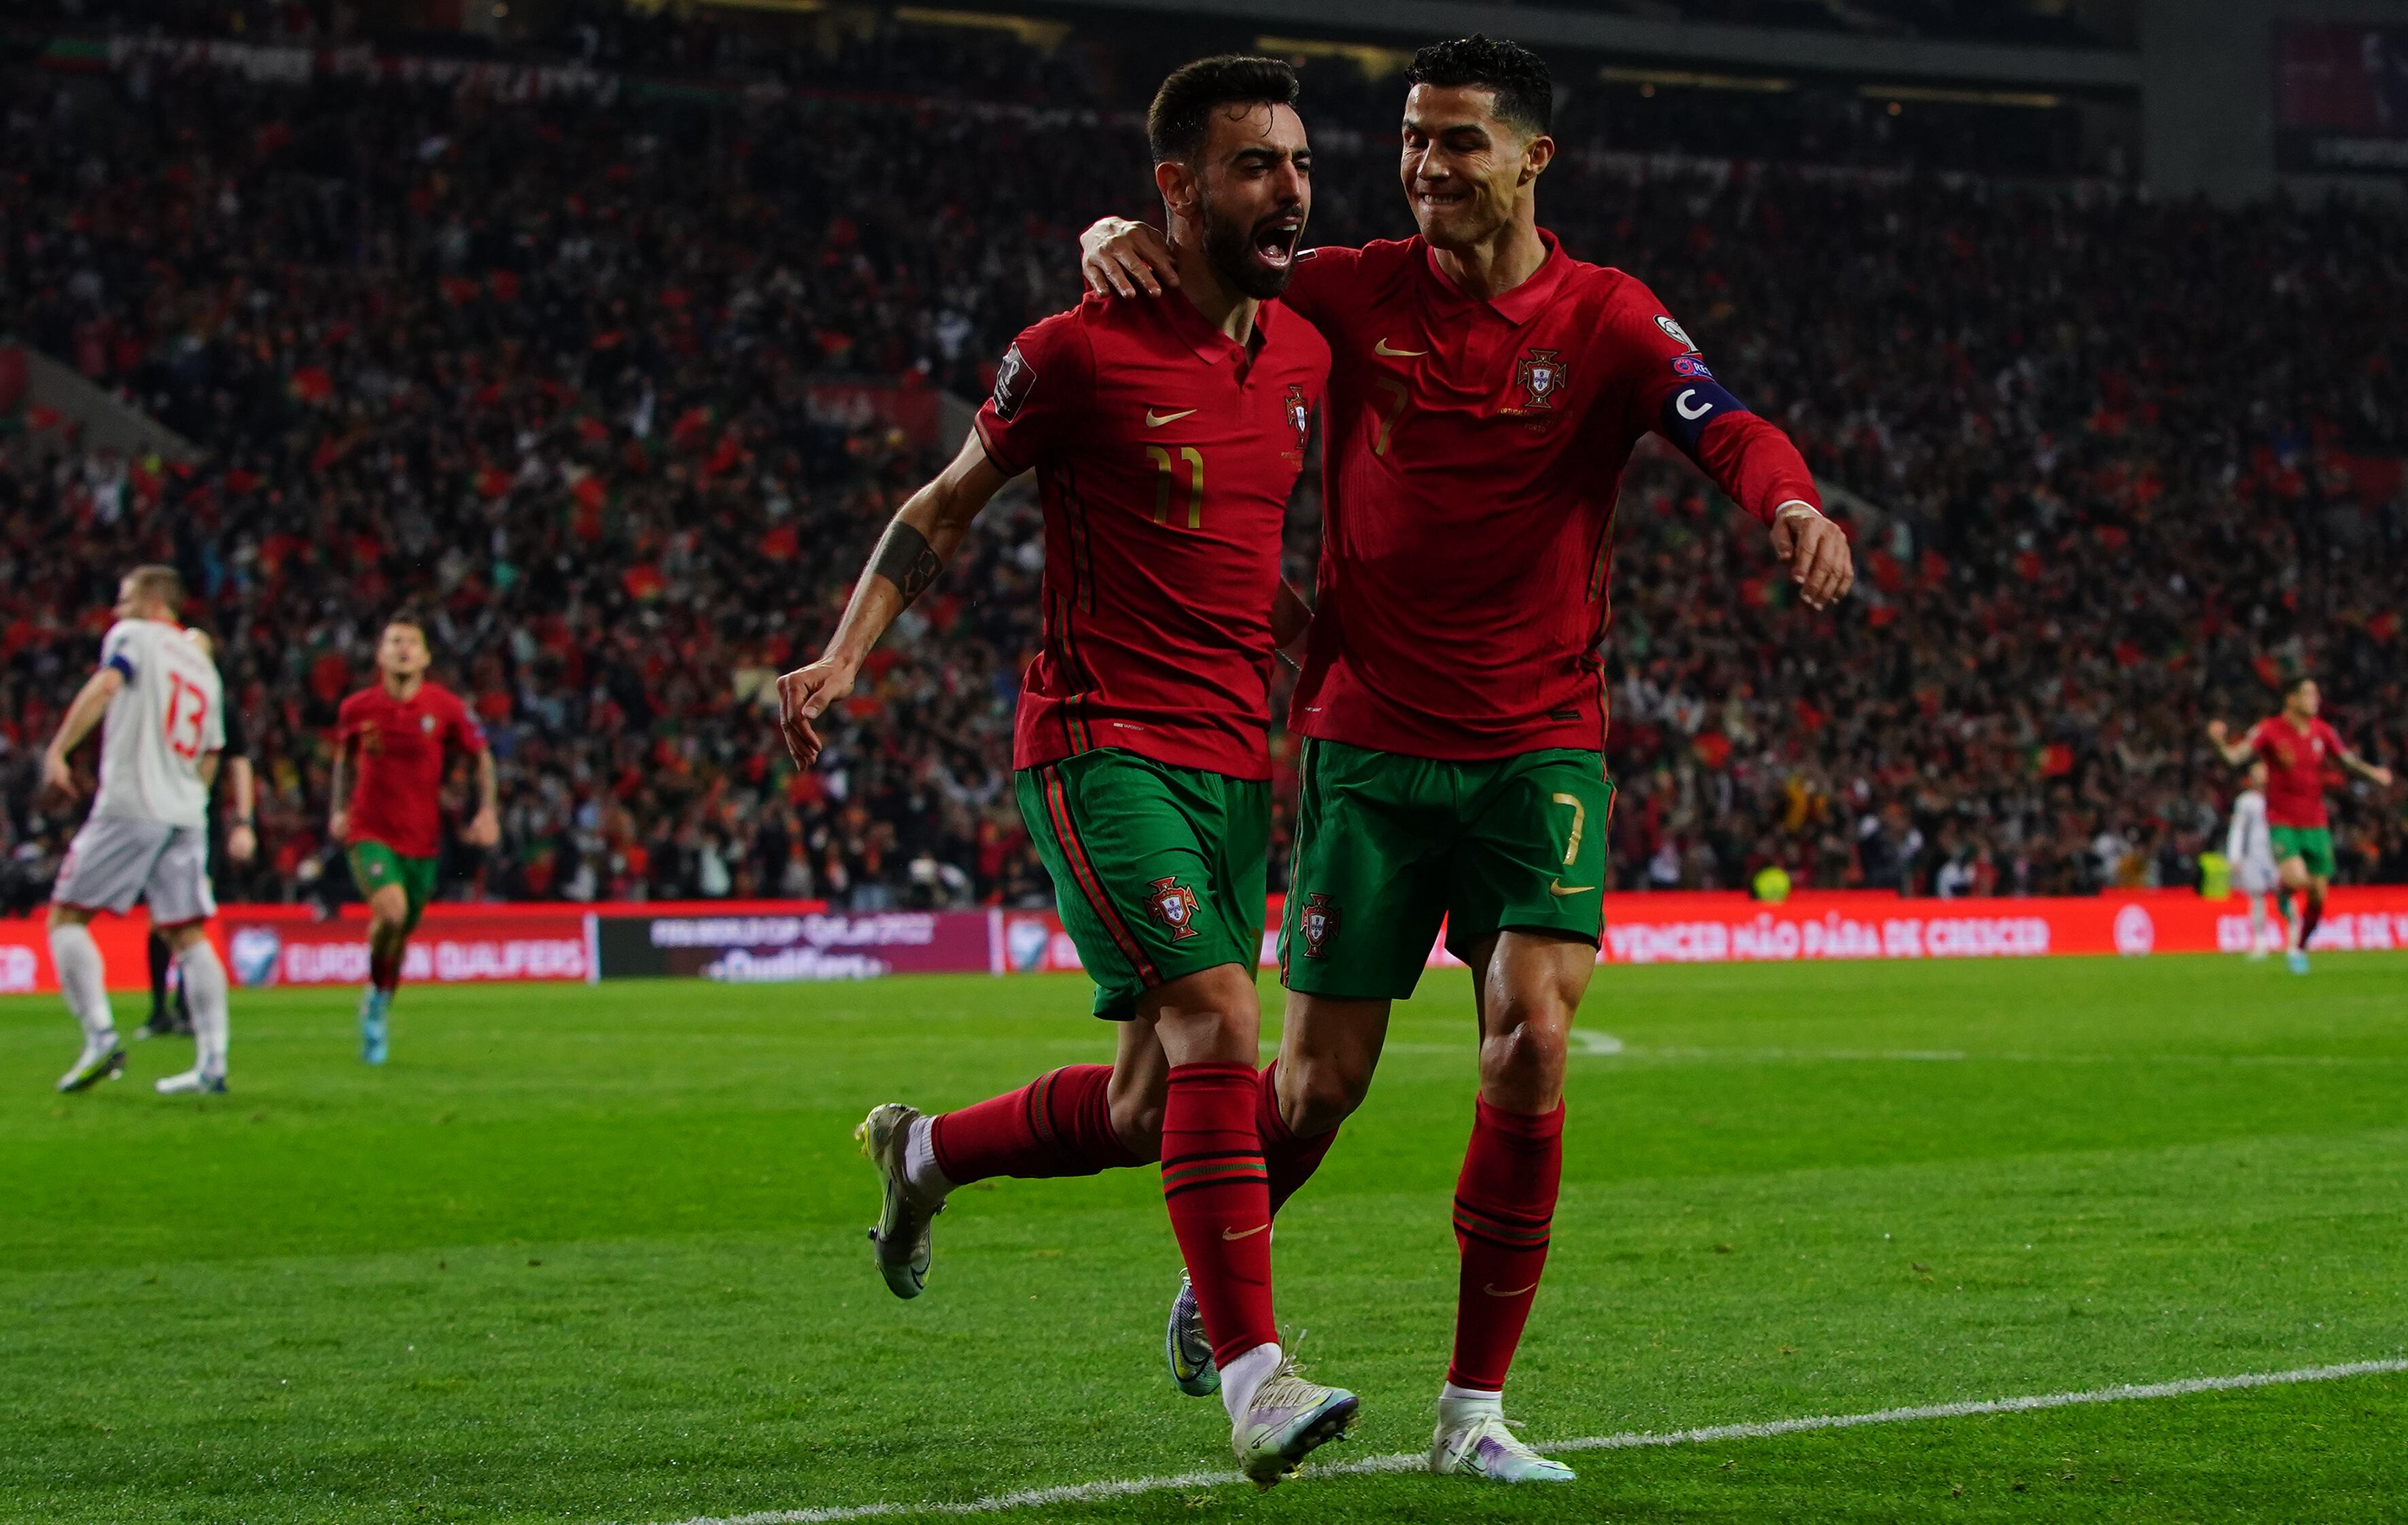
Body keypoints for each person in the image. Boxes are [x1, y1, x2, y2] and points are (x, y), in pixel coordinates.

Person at [1079, 35, 1855, 1482]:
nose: (1425, 166)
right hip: (1367, 746)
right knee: (1315, 1087)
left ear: (1530, 158)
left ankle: (1471, 1413)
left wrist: (1791, 505)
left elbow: (1725, 423)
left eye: (1456, 141)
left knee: (1532, 1038)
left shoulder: (1605, 316)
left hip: (1537, 744)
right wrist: (1110, 232)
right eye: (1411, 140)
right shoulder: (1346, 287)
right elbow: (1201, 267)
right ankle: (1225, 1258)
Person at [775, 56, 1355, 1490]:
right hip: (1101, 740)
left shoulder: (1301, 354)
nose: (1289, 188)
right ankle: (1254, 1378)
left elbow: (1240, 559)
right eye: (1254, 164)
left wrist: (1325, 650)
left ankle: (922, 1155)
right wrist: (844, 654)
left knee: (1148, 1109)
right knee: (1224, 1020)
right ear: (1175, 190)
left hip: (1232, 759)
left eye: (1298, 161)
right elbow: (942, 506)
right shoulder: (1077, 352)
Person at [41, 565, 236, 1095]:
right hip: (185, 811)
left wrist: (59, 749)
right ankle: (213, 1063)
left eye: (124, 599)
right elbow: (212, 752)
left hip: (133, 804)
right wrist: (191, 800)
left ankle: (101, 1039)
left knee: (66, 918)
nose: (116, 610)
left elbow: (107, 685)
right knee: (188, 935)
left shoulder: (134, 636)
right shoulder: (203, 666)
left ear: (153, 604)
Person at [330, 617, 498, 1063]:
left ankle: (378, 1000)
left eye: (411, 643)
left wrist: (487, 811)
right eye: (394, 641)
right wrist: (339, 810)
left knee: (398, 931)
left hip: (422, 840)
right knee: (393, 911)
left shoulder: (445, 707)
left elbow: (481, 756)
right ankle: (374, 1005)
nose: (403, 649)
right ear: (380, 654)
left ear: (425, 657)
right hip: (370, 831)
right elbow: (344, 761)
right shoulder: (358, 708)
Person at [2209, 677, 2392, 973]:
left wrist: (2374, 774)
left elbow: (2346, 760)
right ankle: (2285, 889)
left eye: (2316, 694)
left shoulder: (2323, 731)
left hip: (2316, 823)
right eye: (2308, 694)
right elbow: (2234, 757)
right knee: (2296, 879)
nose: (2315, 699)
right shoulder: (2269, 730)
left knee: (2318, 897)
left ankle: (2299, 946)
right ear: (2290, 699)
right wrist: (2218, 743)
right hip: (2283, 822)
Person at [138, 628, 256, 1039]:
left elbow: (238, 762)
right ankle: (159, 1009)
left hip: (201, 822)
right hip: (158, 815)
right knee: (159, 915)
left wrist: (243, 821)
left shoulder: (219, 704)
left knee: (190, 911)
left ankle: (186, 1008)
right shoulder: (158, 699)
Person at [2224, 760, 2279, 960]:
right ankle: (2260, 941)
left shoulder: (2279, 798)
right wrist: (2235, 856)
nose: (2261, 778)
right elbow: (2238, 829)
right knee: (2257, 898)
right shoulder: (2246, 801)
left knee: (2285, 896)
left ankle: (2293, 941)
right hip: (2254, 856)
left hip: (2278, 853)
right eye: (2257, 774)